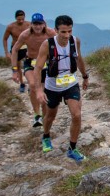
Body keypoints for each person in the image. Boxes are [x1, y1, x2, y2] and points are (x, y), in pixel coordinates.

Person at [33, 15, 89, 160]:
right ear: (56, 30)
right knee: (50, 115)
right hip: (53, 86)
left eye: (69, 31)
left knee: (76, 115)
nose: (67, 35)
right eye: (63, 32)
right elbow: (38, 68)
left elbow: (79, 58)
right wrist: (39, 90)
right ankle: (45, 136)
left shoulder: (75, 41)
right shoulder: (48, 44)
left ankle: (72, 148)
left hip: (71, 84)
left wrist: (85, 76)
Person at [11, 13, 56, 129]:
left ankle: (44, 118)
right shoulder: (25, 35)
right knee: (32, 85)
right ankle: (37, 114)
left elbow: (60, 46)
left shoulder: (50, 33)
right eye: (35, 24)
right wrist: (15, 70)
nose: (37, 27)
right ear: (31, 24)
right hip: (30, 63)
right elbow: (15, 50)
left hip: (47, 63)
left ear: (44, 24)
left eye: (40, 24)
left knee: (45, 90)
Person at [3, 10, 30, 93]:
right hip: (16, 48)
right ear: (15, 18)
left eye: (22, 19)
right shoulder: (10, 27)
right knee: (17, 67)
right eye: (19, 19)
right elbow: (5, 39)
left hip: (27, 48)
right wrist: (7, 52)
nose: (21, 21)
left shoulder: (29, 24)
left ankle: (30, 84)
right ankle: (22, 84)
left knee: (30, 66)